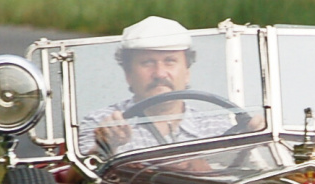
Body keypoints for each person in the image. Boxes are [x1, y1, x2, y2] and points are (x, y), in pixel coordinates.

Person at [87, 16, 258, 152]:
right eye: (147, 62)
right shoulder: (101, 123)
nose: (160, 73)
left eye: (170, 61)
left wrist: (256, 138)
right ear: (128, 75)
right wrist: (105, 146)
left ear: (187, 73)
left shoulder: (215, 127)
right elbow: (77, 179)